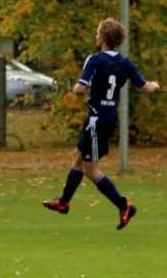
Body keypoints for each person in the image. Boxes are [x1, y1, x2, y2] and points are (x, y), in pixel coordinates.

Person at [42, 18, 160, 230]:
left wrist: (75, 88)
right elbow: (145, 87)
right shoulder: (126, 63)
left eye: (98, 34)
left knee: (91, 170)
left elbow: (80, 87)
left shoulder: (94, 60)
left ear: (104, 38)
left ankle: (124, 206)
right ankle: (64, 202)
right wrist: (155, 85)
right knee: (77, 156)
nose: (96, 37)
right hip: (104, 119)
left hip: (97, 121)